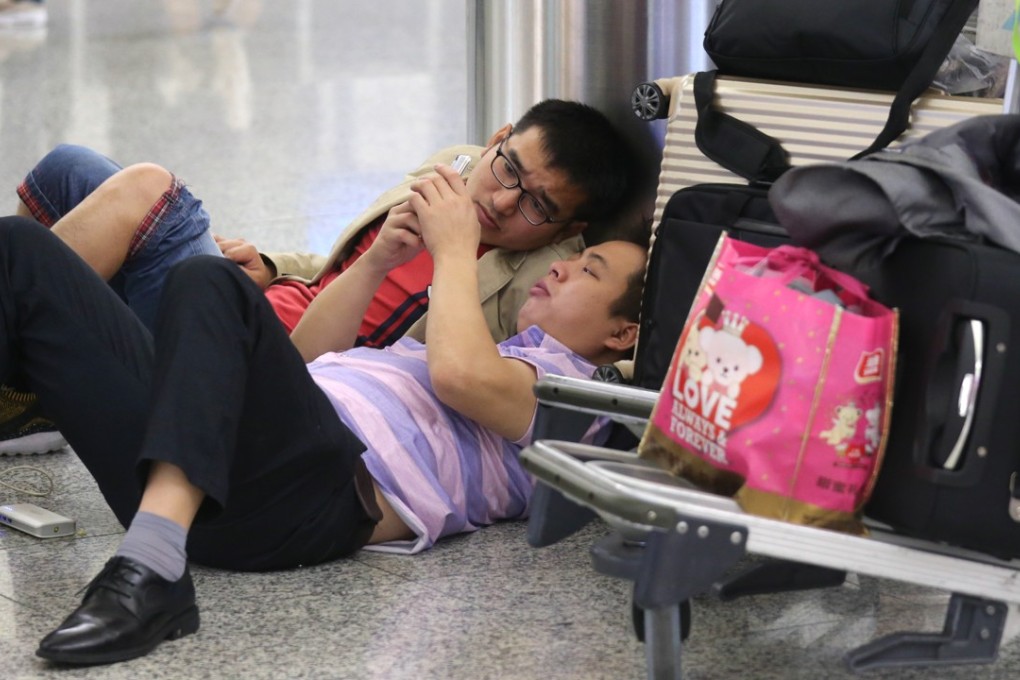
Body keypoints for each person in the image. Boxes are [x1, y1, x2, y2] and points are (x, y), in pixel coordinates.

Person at [3, 160, 648, 666]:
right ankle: (157, 541)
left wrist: (456, 249)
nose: (563, 272)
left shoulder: (578, 398)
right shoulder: (499, 346)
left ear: (624, 336)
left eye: (587, 271)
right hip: (216, 464)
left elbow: (460, 377)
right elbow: (302, 356)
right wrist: (376, 263)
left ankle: (150, 564)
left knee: (207, 280)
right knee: (20, 250)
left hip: (311, 500)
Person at [2, 99, 647, 454]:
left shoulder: (536, 279)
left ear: (565, 234)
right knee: (71, 166)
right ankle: (36, 392)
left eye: (538, 205)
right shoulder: (451, 168)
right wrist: (276, 266)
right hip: (267, 300)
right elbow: (350, 262)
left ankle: (23, 378)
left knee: (148, 187)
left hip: (258, 362)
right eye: (508, 169)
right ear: (496, 140)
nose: (503, 201)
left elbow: (477, 376)